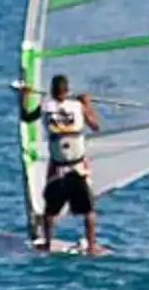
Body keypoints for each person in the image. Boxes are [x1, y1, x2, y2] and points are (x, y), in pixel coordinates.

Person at [18, 71, 103, 253]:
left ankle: (49, 244)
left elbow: (27, 117)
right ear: (67, 90)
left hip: (62, 168)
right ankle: (92, 245)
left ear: (51, 90)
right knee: (86, 211)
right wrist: (87, 104)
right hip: (74, 167)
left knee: (51, 211)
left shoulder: (46, 106)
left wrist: (25, 96)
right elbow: (95, 126)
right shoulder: (77, 106)